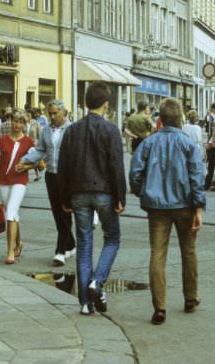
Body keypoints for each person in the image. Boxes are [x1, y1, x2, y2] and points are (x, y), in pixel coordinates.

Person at [130, 98, 206, 325]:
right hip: (184, 205)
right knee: (189, 251)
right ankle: (190, 298)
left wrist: (141, 192)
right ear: (181, 119)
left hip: (156, 207)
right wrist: (198, 207)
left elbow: (135, 171)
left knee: (157, 254)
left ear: (160, 119)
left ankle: (160, 308)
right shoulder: (188, 143)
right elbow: (196, 176)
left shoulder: (149, 142)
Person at [58, 82, 126, 315]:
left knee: (84, 244)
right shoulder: (111, 130)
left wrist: (64, 198)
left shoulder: (72, 130)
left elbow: (63, 167)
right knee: (112, 238)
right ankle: (98, 281)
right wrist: (120, 196)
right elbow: (116, 166)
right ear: (106, 105)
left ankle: (85, 303)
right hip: (105, 192)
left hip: (77, 194)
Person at [18, 100, 75, 266]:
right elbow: (40, 150)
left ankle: (60, 252)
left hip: (68, 177)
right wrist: (25, 160)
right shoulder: (47, 130)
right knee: (58, 213)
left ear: (64, 112)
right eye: (50, 113)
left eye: (55, 112)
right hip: (52, 176)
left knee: (65, 212)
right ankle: (70, 243)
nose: (52, 116)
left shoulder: (72, 130)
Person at [0, 110, 35, 265]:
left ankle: (10, 252)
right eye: (15, 121)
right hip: (3, 181)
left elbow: (39, 164)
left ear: (24, 124)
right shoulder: (2, 140)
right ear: (11, 122)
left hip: (19, 182)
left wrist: (27, 166)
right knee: (12, 214)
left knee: (10, 213)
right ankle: (19, 243)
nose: (17, 125)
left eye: (21, 122)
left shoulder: (29, 142)